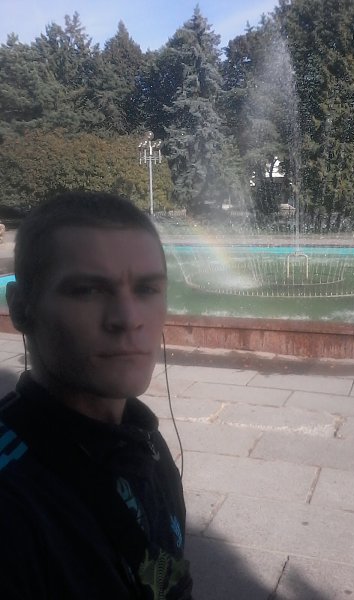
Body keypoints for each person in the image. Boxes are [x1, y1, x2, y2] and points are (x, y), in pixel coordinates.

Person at [0, 191, 193, 599]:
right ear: (20, 308)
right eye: (88, 290)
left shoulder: (145, 442)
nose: (128, 319)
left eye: (147, 289)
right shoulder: (14, 504)